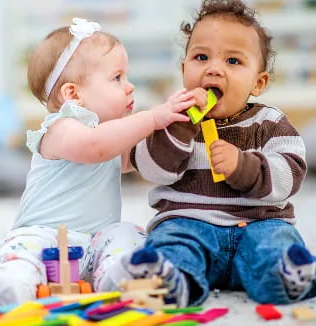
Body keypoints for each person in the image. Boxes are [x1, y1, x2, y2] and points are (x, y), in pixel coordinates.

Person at [0, 18, 202, 315]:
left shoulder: (109, 133)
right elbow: (95, 147)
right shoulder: (62, 128)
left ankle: (119, 274)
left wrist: (176, 126)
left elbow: (144, 159)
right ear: (73, 94)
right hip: (44, 235)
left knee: (126, 232)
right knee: (24, 260)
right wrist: (152, 117)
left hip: (95, 242)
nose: (130, 87)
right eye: (117, 78)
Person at [127, 0, 315, 307]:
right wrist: (180, 129)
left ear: (259, 82)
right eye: (201, 57)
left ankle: (286, 277)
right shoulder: (171, 118)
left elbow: (290, 175)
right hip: (189, 224)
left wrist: (245, 166)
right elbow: (150, 169)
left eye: (233, 61)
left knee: (275, 243)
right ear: (185, 68)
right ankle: (172, 280)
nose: (214, 68)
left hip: (258, 224)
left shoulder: (269, 122)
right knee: (172, 242)